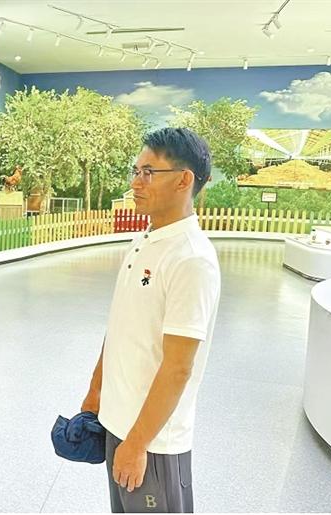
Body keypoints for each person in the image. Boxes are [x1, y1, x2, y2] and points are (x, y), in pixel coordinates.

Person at [81, 127, 221, 513]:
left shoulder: (191, 259)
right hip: (118, 422)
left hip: (153, 441)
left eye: (148, 172)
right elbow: (120, 326)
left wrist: (139, 443)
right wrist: (96, 390)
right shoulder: (144, 240)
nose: (135, 182)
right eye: (136, 170)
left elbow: (178, 368)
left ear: (183, 180)